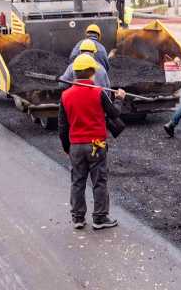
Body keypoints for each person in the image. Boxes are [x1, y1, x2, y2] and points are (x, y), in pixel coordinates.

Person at [59, 54, 126, 230]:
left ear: (75, 73)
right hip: (96, 145)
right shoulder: (98, 93)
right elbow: (114, 114)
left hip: (76, 146)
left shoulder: (65, 96)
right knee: (99, 181)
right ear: (91, 74)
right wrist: (119, 98)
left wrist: (68, 147)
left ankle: (78, 218)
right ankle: (100, 218)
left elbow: (62, 126)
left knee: (77, 182)